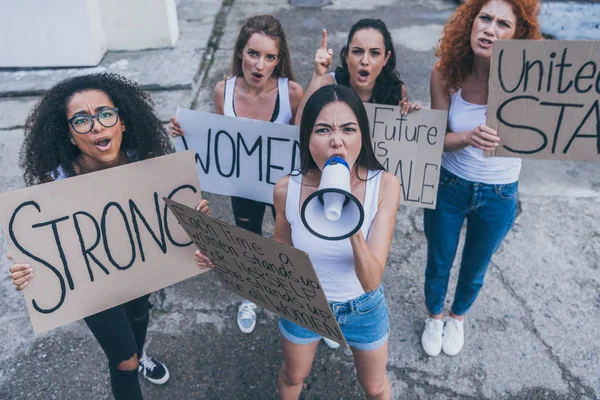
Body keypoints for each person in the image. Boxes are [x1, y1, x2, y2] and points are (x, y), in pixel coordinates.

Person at [7, 73, 210, 399]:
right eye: (82, 120)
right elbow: (46, 253)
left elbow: (172, 233)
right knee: (124, 361)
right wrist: (27, 273)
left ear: (122, 123)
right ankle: (132, 360)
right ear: (71, 137)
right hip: (92, 284)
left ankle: (139, 353)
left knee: (139, 317)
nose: (97, 126)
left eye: (104, 114)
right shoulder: (55, 183)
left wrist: (198, 230)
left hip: (137, 269)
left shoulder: (148, 168)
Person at [421, 0, 542, 357]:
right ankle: (434, 315)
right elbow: (435, 142)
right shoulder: (445, 74)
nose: (490, 29)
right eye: (484, 18)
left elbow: (555, 127)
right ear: (469, 23)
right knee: (438, 260)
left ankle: (457, 317)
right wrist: (467, 137)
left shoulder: (530, 80)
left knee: (476, 266)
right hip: (450, 186)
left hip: (500, 193)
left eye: (502, 24)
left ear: (517, 34)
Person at [169, 15, 304, 335]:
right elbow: (221, 138)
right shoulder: (223, 90)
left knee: (294, 239)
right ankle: (252, 296)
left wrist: (323, 78)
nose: (260, 65)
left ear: (278, 61)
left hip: (284, 184)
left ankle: (301, 300)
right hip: (243, 185)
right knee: (250, 238)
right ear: (240, 52)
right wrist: (184, 131)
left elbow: (304, 140)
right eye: (253, 54)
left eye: (270, 57)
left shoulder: (293, 92)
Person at [275, 84, 399, 399]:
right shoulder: (286, 189)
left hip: (362, 306)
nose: (336, 140)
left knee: (375, 385)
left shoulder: (384, 185)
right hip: (305, 302)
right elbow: (281, 256)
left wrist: (349, 216)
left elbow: (371, 280)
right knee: (293, 376)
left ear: (362, 136)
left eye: (348, 129)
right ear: (307, 138)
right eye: (323, 129)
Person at [295, 18, 420, 126]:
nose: (365, 61)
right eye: (357, 51)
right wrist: (318, 76)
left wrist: (409, 114)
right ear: (347, 55)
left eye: (374, 53)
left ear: (386, 58)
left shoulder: (396, 91)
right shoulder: (329, 84)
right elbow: (299, 126)